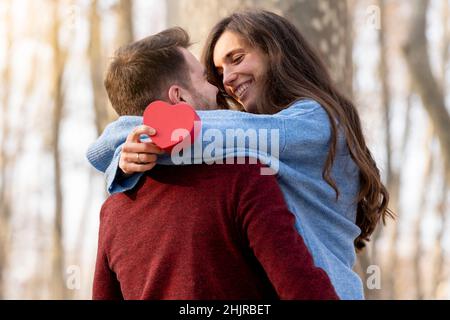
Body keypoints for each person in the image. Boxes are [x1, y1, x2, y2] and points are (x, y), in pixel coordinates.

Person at [87, 10, 393, 299]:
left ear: (275, 52)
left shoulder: (315, 122)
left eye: (237, 58)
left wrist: (125, 144)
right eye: (217, 73)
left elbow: (215, 132)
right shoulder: (243, 166)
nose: (226, 81)